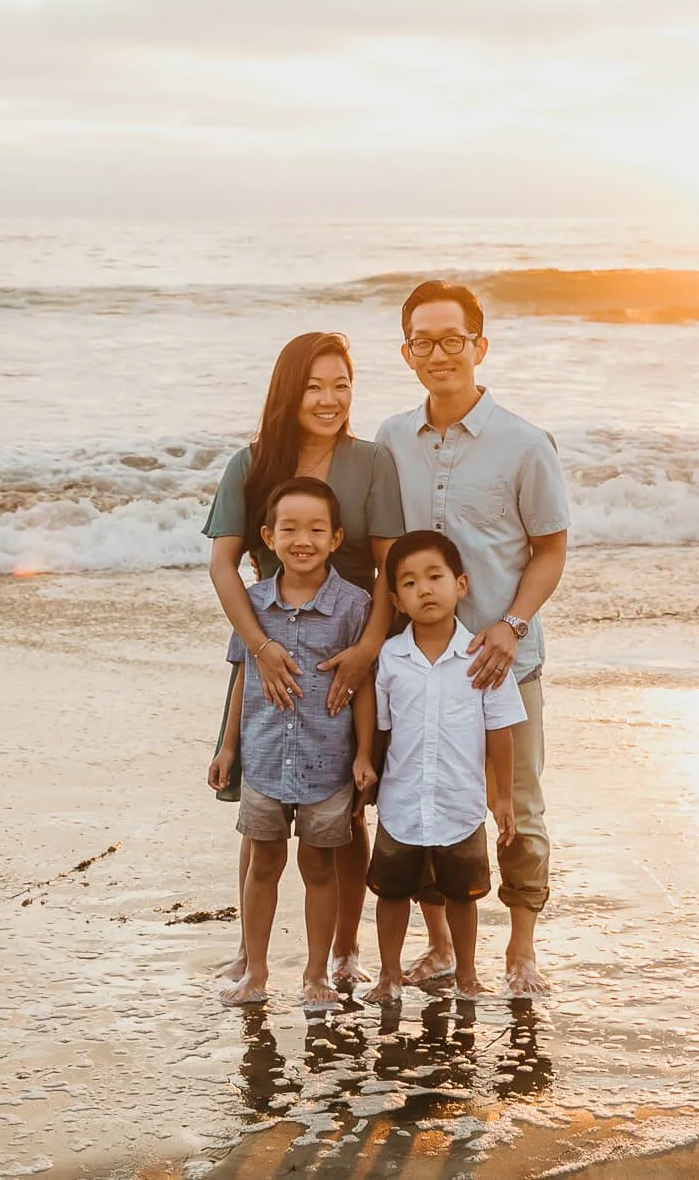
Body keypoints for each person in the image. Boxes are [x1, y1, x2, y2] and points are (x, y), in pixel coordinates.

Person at [373, 281, 569, 999]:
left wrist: (510, 625)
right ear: (406, 353)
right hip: (422, 667)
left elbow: (550, 548)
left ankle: (521, 948)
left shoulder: (524, 442)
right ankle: (443, 946)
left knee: (517, 804)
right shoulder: (392, 437)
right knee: (422, 802)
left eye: (453, 338)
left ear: (479, 346)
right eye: (422, 341)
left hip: (501, 664)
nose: (438, 353)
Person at [203, 331, 405, 990]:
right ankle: (249, 953)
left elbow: (387, 567)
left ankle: (343, 949)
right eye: (315, 385)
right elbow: (223, 562)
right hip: (269, 651)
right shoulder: (251, 462)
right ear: (290, 390)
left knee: (345, 810)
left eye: (342, 383)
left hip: (349, 642)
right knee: (258, 808)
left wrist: (367, 652)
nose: (330, 398)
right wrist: (257, 647)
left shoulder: (372, 461)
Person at [206, 477, 377, 1009]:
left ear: (336, 538)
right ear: (268, 536)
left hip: (327, 764)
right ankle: (255, 973)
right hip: (262, 759)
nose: (303, 539)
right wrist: (228, 749)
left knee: (320, 869)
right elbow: (242, 681)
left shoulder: (354, 605)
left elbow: (364, 686)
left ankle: (315, 974)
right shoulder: (252, 604)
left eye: (316, 529)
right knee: (263, 865)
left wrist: (365, 755)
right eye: (290, 529)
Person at [364, 530, 522, 1002]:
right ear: (396, 598)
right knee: (391, 892)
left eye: (435, 577)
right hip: (402, 799)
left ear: (461, 584)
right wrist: (364, 779)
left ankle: (467, 973)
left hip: (460, 799)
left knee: (462, 893)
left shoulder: (481, 657)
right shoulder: (391, 657)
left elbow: (501, 731)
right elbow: (382, 730)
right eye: (410, 583)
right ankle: (389, 975)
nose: (425, 589)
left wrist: (504, 798)